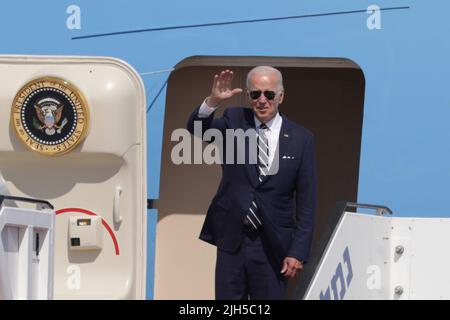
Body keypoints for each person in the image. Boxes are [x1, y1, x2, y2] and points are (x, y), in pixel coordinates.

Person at [187, 66, 317, 299]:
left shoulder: (301, 138)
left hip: (273, 245)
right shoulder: (234, 120)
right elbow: (198, 130)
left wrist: (297, 252)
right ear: (249, 97)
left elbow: (307, 203)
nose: (262, 100)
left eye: (269, 94)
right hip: (233, 240)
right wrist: (213, 101)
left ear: (281, 96)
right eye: (255, 94)